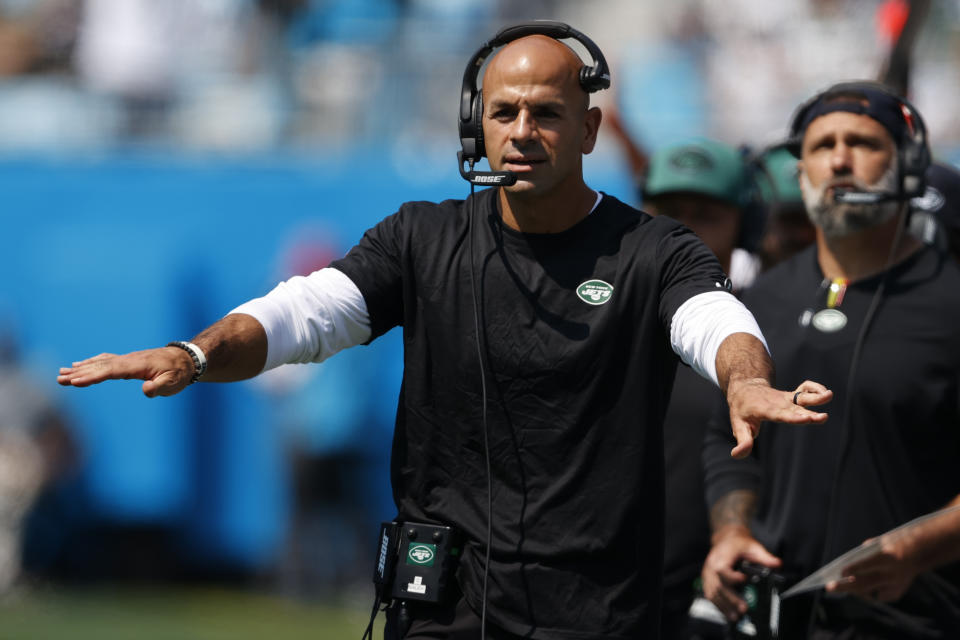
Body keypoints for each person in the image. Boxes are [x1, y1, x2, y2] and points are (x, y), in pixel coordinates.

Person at [58, 24, 830, 640]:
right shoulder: (421, 237)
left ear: (589, 129)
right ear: (477, 122)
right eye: (504, 111)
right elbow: (304, 312)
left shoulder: (652, 247)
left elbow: (714, 319)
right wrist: (195, 354)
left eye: (547, 113)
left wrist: (746, 380)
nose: (523, 131)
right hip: (442, 607)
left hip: (596, 610)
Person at [701, 81, 960, 639]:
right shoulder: (759, 300)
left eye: (863, 143)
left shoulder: (953, 301)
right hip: (772, 619)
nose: (839, 160)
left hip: (919, 621)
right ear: (799, 174)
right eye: (821, 146)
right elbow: (725, 439)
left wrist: (919, 548)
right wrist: (731, 532)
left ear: (908, 168)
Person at [640, 138, 759, 638]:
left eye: (705, 214)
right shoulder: (598, 320)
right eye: (668, 212)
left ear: (746, 225)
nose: (683, 230)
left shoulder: (767, 330)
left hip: (720, 601)